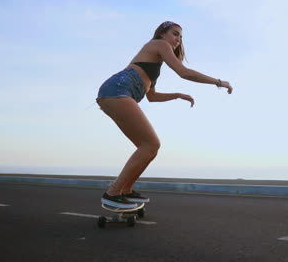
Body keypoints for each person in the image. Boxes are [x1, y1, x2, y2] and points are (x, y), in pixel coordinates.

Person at [96, 21, 233, 208]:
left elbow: (151, 96)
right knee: (151, 144)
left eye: (181, 37)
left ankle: (125, 190)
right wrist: (218, 82)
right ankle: (112, 192)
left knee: (146, 148)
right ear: (162, 33)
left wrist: (177, 95)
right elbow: (183, 72)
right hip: (117, 90)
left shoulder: (154, 63)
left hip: (113, 94)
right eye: (175, 34)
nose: (178, 40)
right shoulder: (159, 44)